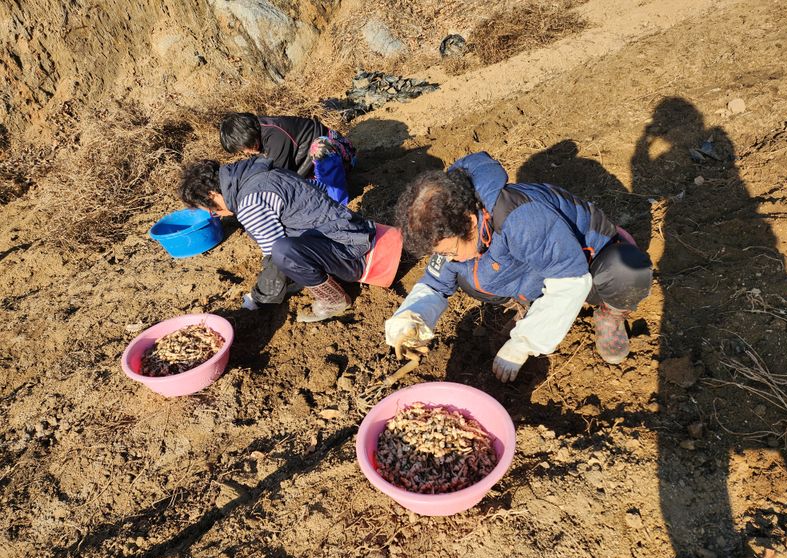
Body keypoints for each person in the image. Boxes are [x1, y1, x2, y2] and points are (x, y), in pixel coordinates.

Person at [384, 151, 653, 382]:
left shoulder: (522, 219)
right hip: (531, 262)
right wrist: (411, 318)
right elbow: (434, 284)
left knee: (626, 272)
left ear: (470, 222)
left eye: (450, 251)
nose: (448, 258)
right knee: (470, 278)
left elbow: (571, 283)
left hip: (588, 262)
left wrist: (523, 344)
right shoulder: (450, 227)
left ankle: (610, 314)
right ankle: (531, 304)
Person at [178, 155, 378, 322]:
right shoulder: (259, 173)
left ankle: (334, 300)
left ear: (213, 194)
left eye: (213, 210)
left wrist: (258, 299)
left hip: (352, 252)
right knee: (285, 249)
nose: (219, 214)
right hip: (351, 228)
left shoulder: (250, 203)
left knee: (282, 252)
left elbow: (275, 258)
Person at [219, 112, 356, 206]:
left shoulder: (274, 134)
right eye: (242, 150)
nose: (247, 152)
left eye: (245, 147)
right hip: (310, 167)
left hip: (340, 155)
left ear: (247, 134)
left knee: (320, 149)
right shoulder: (259, 135)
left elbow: (280, 176)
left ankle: (336, 202)